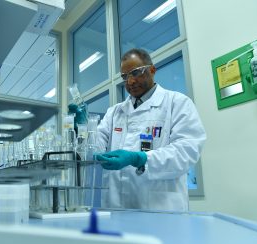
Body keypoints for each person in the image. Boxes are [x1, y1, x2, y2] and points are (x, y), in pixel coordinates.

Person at [71, 48, 206, 211]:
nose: (130, 82)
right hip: (115, 207)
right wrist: (84, 128)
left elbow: (187, 151)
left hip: (159, 208)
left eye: (135, 73)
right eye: (125, 76)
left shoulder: (177, 103)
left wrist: (141, 158)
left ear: (152, 70)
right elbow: (94, 151)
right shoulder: (114, 112)